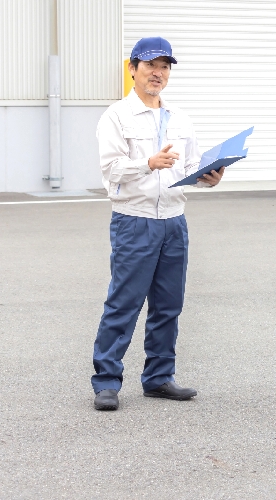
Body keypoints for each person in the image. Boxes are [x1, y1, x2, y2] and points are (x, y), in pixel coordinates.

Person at [92, 37, 225, 411]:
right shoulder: (117, 116)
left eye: (165, 67)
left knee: (168, 305)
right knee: (124, 304)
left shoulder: (180, 117)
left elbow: (190, 167)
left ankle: (159, 378)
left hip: (173, 222)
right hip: (135, 222)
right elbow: (110, 170)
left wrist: (208, 177)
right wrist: (147, 163)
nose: (158, 73)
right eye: (150, 65)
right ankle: (106, 382)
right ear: (132, 69)